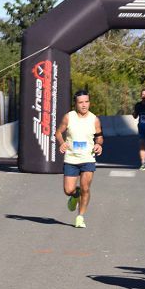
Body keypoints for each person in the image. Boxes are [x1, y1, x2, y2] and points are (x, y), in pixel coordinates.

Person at [55, 90, 103, 229]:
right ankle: (75, 195)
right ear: (75, 104)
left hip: (88, 158)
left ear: (89, 102)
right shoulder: (69, 117)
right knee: (68, 190)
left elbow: (99, 136)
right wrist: (62, 143)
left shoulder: (94, 119)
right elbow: (58, 132)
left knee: (85, 188)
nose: (84, 105)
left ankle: (80, 217)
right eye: (81, 102)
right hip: (71, 159)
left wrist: (99, 144)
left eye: (86, 102)